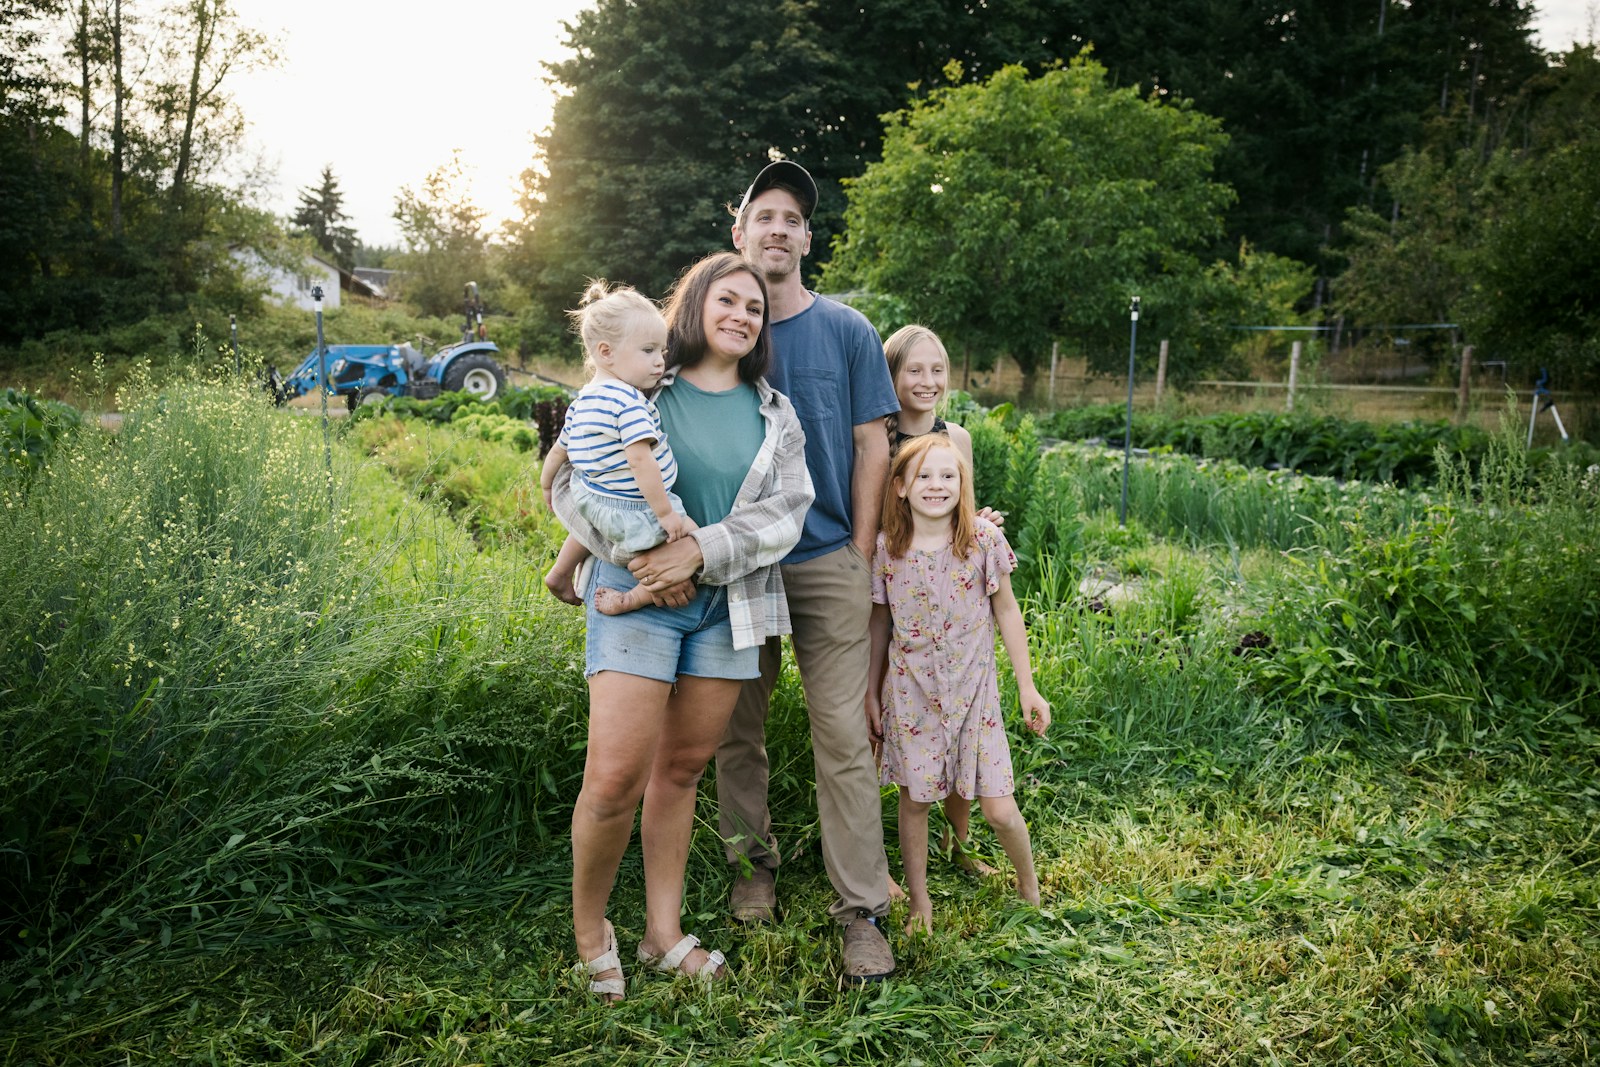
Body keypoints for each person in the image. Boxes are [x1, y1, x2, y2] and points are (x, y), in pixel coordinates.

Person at [547, 252, 814, 1001]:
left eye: (754, 308)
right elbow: (576, 479)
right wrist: (632, 559)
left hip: (730, 606)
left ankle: (662, 934)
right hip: (635, 594)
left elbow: (786, 513)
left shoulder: (775, 414)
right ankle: (591, 932)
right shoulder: (638, 385)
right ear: (694, 306)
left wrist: (697, 552)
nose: (741, 315)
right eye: (726, 300)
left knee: (681, 768)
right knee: (613, 777)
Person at [716, 159, 901, 983]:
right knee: (737, 728)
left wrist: (860, 551)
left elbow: (873, 445)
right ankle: (751, 867)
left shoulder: (849, 331)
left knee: (842, 737)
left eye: (793, 217)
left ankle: (860, 908)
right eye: (766, 214)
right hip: (743, 562)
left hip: (827, 558)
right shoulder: (717, 327)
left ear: (808, 239)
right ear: (740, 232)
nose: (780, 228)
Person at [865, 434, 1052, 935]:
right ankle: (921, 904)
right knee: (917, 802)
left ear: (963, 484)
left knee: (1000, 810)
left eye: (948, 475)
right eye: (924, 476)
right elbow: (880, 624)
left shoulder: (982, 542)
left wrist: (1027, 687)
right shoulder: (888, 549)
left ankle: (1029, 886)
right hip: (912, 695)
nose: (936, 485)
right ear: (901, 487)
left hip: (976, 698)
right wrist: (870, 690)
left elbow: (1007, 611)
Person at [881, 324, 1003, 879]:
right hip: (894, 587)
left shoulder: (958, 436)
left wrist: (979, 524)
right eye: (914, 370)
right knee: (907, 729)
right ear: (892, 375)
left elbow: (962, 505)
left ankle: (960, 844)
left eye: (937, 371)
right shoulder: (876, 437)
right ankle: (886, 864)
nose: (927, 382)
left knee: (960, 732)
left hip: (952, 605)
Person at [542, 282, 696, 616]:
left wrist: (546, 486)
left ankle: (559, 571)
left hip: (591, 496)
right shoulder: (628, 402)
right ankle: (634, 597)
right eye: (648, 351)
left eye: (662, 352)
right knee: (692, 543)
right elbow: (641, 461)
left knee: (594, 522)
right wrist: (666, 514)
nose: (659, 362)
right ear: (606, 352)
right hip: (633, 507)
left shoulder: (584, 399)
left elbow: (558, 451)